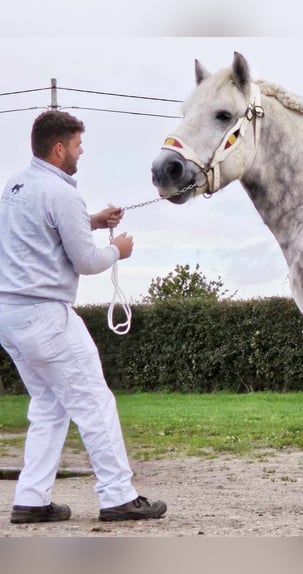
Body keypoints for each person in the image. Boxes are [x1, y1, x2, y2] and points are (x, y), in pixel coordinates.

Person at [0, 110, 167, 524]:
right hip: (46, 315)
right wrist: (118, 250)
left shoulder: (16, 185)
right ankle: (118, 496)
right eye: (77, 145)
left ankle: (32, 500)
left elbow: (42, 232)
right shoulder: (62, 193)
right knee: (95, 402)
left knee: (49, 406)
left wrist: (90, 222)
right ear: (59, 149)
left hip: (9, 315)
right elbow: (88, 261)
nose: (81, 152)